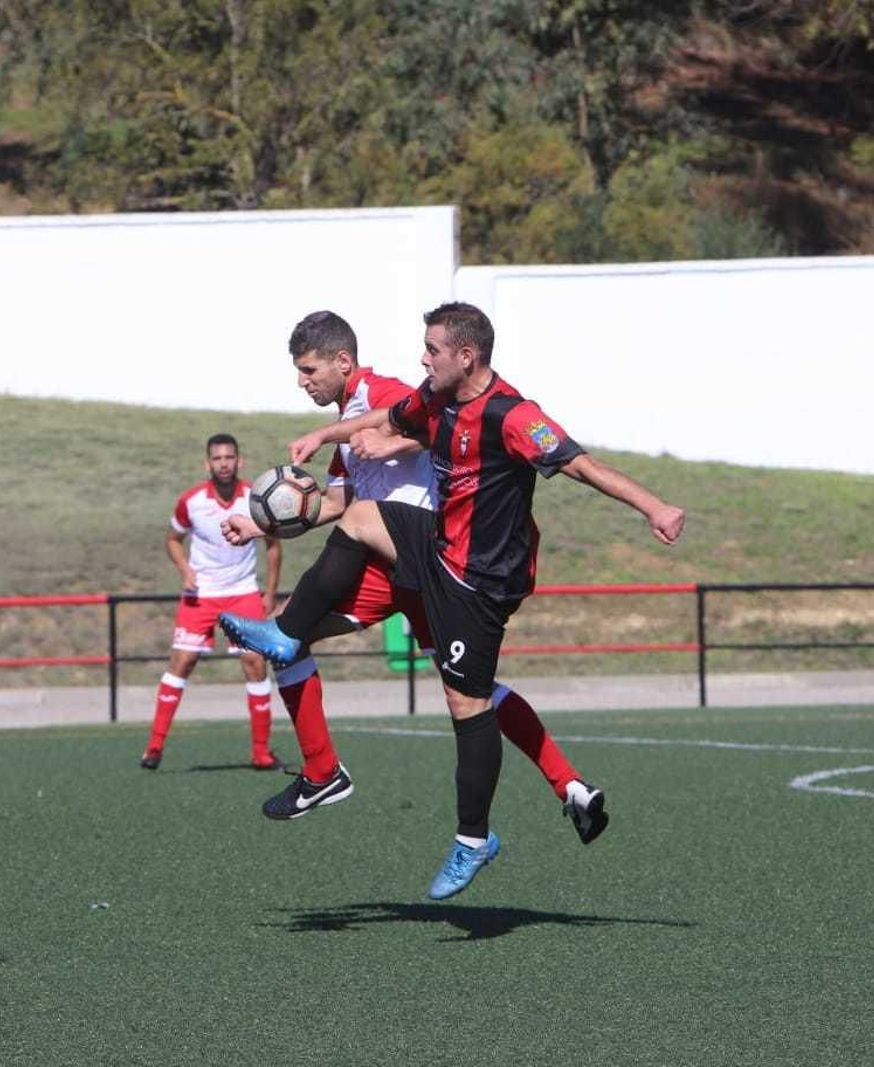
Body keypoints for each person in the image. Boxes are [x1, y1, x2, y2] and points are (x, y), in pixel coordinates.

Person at [223, 303, 686, 899]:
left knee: (468, 700)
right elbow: (376, 446)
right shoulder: (427, 397)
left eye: (432, 349)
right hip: (424, 550)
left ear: (465, 356)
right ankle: (315, 741)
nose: (422, 358)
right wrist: (316, 456)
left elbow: (578, 464)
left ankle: (475, 836)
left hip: (479, 580)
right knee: (345, 553)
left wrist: (654, 507)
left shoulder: (508, 414)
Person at [140, 433, 282, 771]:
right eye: (217, 459)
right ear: (208, 464)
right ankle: (154, 747)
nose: (224, 464)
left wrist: (270, 592)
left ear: (239, 461)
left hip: (243, 591)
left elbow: (273, 545)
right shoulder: (190, 501)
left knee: (255, 663)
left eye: (229, 457)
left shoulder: (255, 499)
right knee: (182, 662)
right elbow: (173, 540)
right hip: (201, 594)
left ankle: (261, 752)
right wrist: (185, 570)